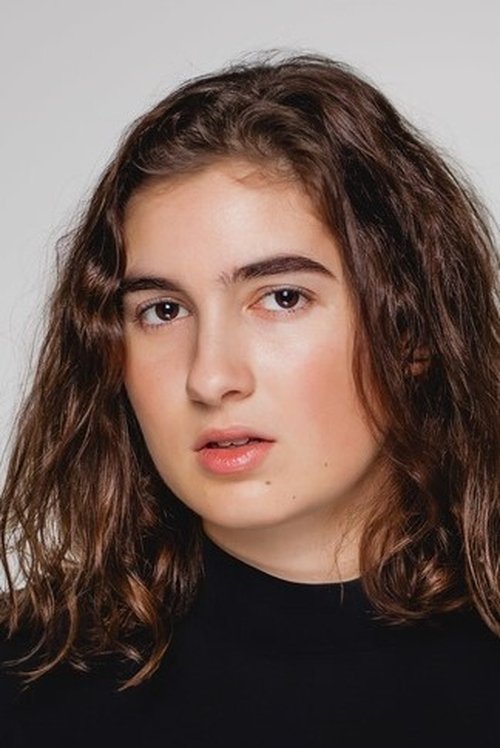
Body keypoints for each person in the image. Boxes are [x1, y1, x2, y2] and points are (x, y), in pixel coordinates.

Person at [0, 52, 498, 748]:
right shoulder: (23, 681)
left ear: (410, 330)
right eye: (163, 310)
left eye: (282, 298)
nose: (210, 378)